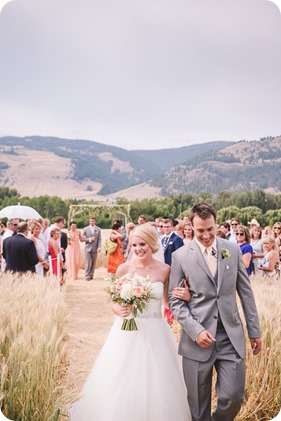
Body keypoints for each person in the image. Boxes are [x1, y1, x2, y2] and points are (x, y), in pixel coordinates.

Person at [69, 224, 192, 421]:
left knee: (158, 380)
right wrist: (120, 309)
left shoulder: (165, 270)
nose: (138, 249)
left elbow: (169, 302)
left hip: (156, 331)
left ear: (152, 244)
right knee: (123, 376)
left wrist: (186, 296)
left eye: (142, 244)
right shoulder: (124, 269)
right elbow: (114, 304)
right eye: (134, 245)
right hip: (127, 328)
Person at [169, 202, 261, 421]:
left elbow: (245, 293)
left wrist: (254, 331)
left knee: (234, 397)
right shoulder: (180, 256)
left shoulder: (233, 250)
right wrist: (195, 331)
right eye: (200, 230)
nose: (206, 235)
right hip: (197, 340)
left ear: (216, 223)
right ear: (190, 227)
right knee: (198, 407)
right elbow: (175, 301)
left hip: (231, 336)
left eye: (210, 229)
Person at [81, 216, 101, 281]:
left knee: (93, 262)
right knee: (87, 262)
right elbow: (82, 239)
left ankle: (91, 274)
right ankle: (87, 275)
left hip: (95, 248)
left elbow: (99, 239)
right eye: (91, 221)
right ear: (89, 221)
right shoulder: (85, 229)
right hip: (87, 248)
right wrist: (89, 239)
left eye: (93, 221)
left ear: (95, 221)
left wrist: (99, 247)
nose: (92, 222)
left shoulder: (98, 229)